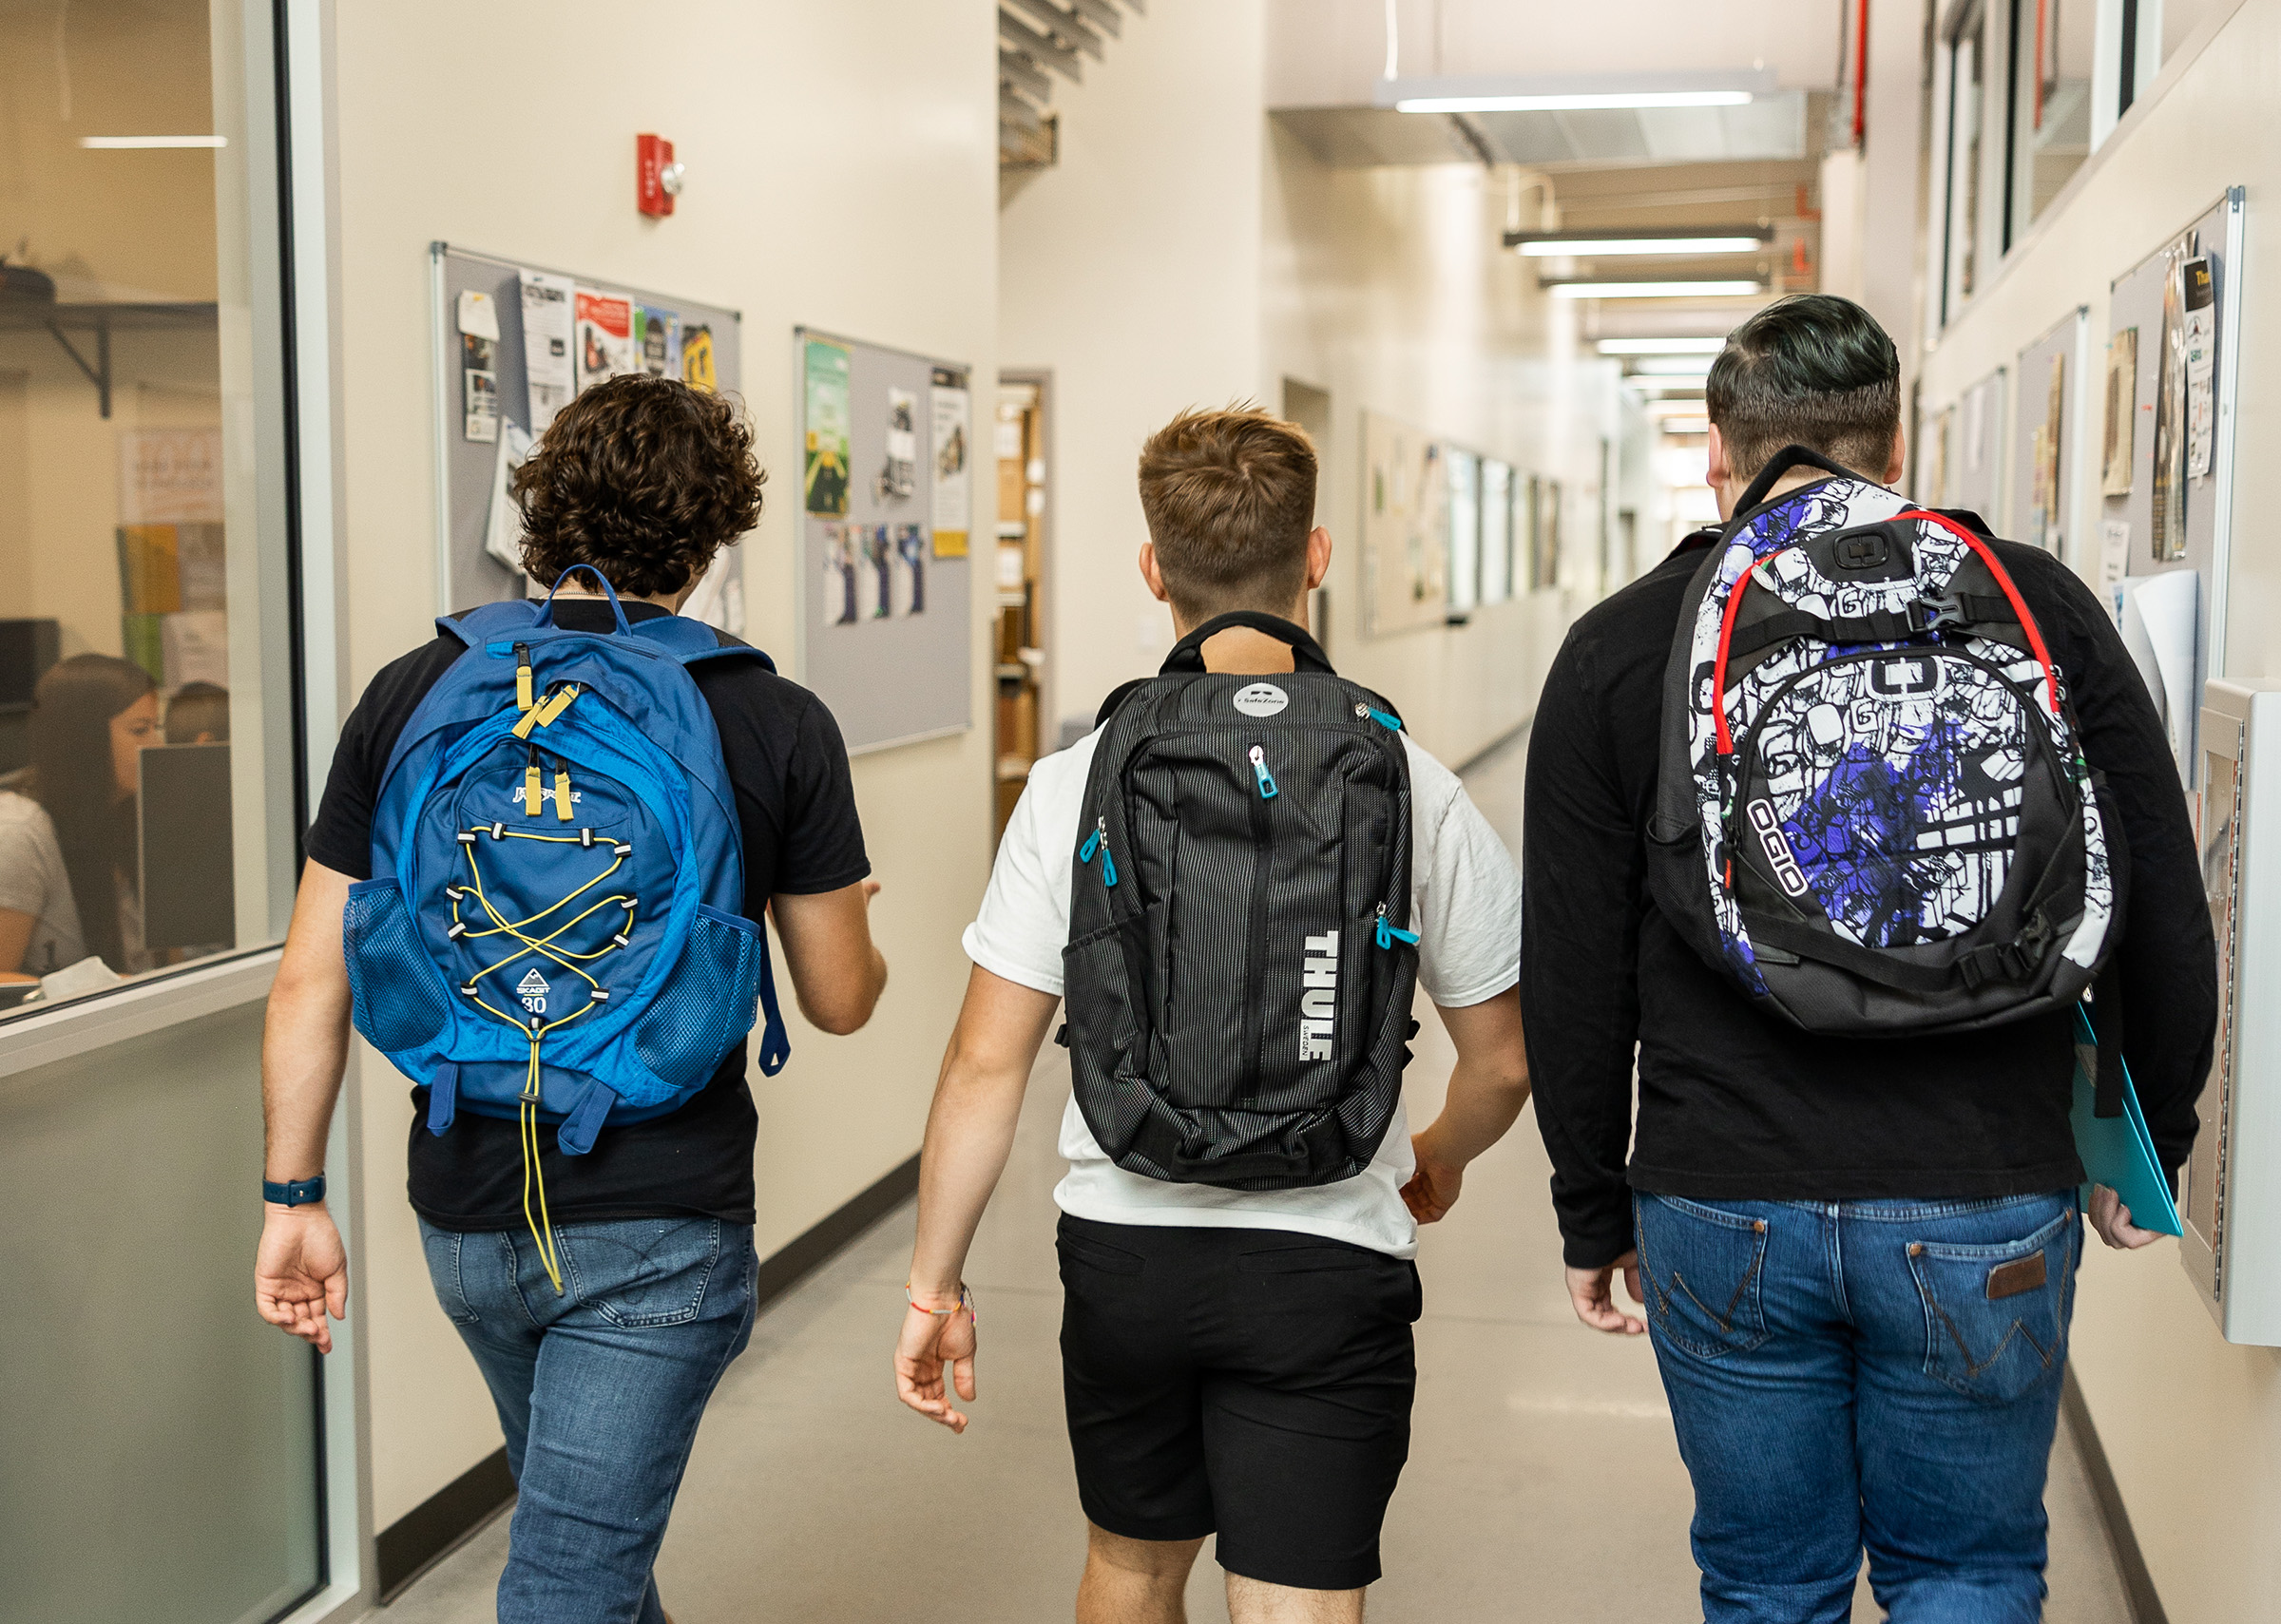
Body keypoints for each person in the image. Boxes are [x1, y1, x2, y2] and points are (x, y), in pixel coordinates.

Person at [1523, 294, 2218, 1622]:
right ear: (1894, 441)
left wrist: (1587, 1205)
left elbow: (1568, 968)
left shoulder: (1622, 647)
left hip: (1722, 1196)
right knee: (1965, 1572)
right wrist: (2156, 1133)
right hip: (1983, 1189)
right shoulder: (2034, 605)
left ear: (1720, 450)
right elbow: (2162, 903)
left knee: (1770, 1582)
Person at [253, 374, 889, 1624]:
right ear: (711, 542)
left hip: (464, 1213)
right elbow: (840, 998)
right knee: (570, 1581)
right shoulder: (770, 719)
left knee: (581, 1560)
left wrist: (292, 1196)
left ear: (539, 516)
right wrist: (859, 910)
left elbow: (307, 975)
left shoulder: (412, 691)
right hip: (662, 1223)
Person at [893, 407, 1530, 1624]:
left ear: (1153, 569)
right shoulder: (1410, 776)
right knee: (1297, 1597)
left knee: (1131, 1566)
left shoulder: (1076, 780)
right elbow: (1500, 1063)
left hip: (1128, 1248)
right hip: (1330, 1247)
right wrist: (1434, 1159)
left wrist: (936, 1283)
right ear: (1319, 558)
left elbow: (987, 1061)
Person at [0, 652, 160, 980]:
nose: (157, 744)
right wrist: (109, 988)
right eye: (140, 730)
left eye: (157, 728)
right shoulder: (19, 833)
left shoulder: (133, 810)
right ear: (85, 739)